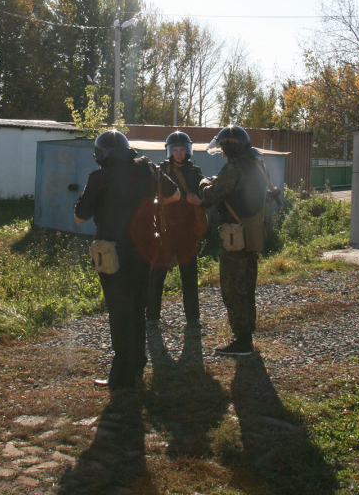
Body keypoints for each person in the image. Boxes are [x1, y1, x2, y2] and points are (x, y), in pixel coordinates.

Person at [75, 129, 180, 390]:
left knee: (119, 311)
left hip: (112, 251)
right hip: (144, 249)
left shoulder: (98, 177)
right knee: (137, 307)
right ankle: (137, 364)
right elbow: (174, 195)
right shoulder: (148, 169)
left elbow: (80, 216)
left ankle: (121, 376)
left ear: (101, 154)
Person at [199, 125, 272, 356]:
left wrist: (203, 184)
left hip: (235, 237)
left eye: (222, 147)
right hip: (252, 233)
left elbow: (210, 196)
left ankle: (242, 342)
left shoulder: (234, 168)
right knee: (248, 286)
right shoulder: (257, 164)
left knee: (233, 288)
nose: (221, 152)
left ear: (229, 148)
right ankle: (247, 333)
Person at [147, 131, 207, 329]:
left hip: (188, 230)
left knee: (189, 276)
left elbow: (203, 198)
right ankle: (152, 316)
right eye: (175, 149)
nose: (179, 153)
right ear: (169, 151)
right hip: (166, 230)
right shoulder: (160, 170)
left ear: (187, 151)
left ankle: (193, 318)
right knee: (157, 274)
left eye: (182, 149)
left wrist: (196, 201)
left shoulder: (195, 171)